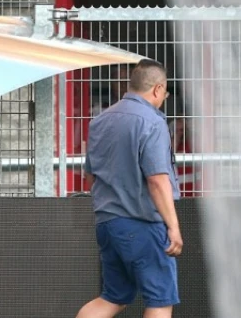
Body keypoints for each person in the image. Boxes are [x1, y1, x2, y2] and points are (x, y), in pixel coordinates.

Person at [77, 59, 183, 318]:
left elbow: (91, 175)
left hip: (108, 223)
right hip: (143, 222)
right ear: (158, 89)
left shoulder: (100, 120)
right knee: (160, 299)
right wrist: (174, 226)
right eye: (165, 93)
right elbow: (158, 180)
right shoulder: (152, 122)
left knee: (112, 297)